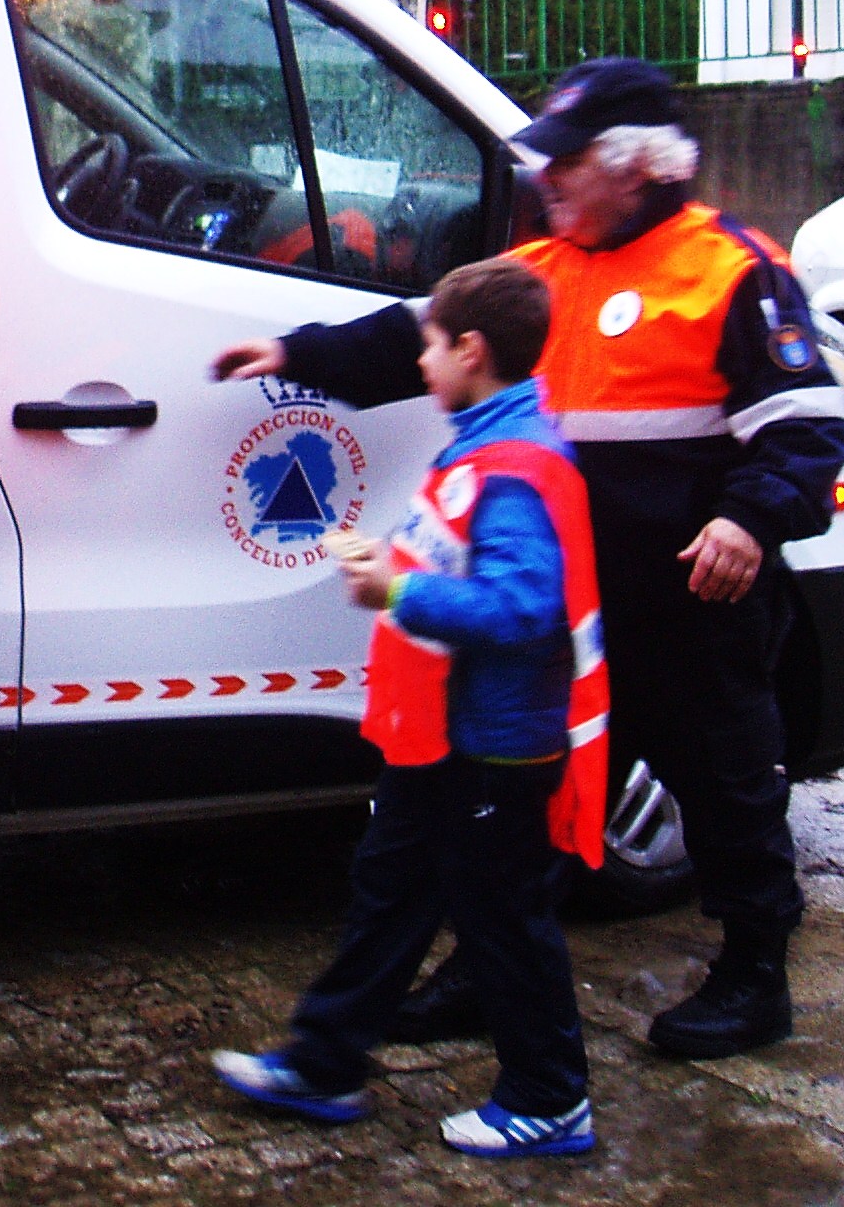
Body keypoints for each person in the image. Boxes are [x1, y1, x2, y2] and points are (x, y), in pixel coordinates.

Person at [214, 57, 844, 1062]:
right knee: (540, 798)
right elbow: (418, 335)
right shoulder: (542, 269)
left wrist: (749, 519)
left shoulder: (732, 270)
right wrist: (295, 354)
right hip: (565, 604)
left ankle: (753, 973)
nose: (543, 180)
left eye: (566, 163)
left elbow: (806, 428)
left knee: (724, 783)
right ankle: (490, 970)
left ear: (635, 167)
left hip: (686, 600)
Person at [214, 258, 607, 1158]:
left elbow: (523, 608)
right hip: (441, 737)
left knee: (502, 921)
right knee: (390, 893)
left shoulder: (513, 464)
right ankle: (325, 1062)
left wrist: (395, 590)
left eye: (427, 344)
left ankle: (551, 1097)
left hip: (494, 747)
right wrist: (393, 564)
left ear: (470, 351)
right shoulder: (483, 442)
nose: (417, 361)